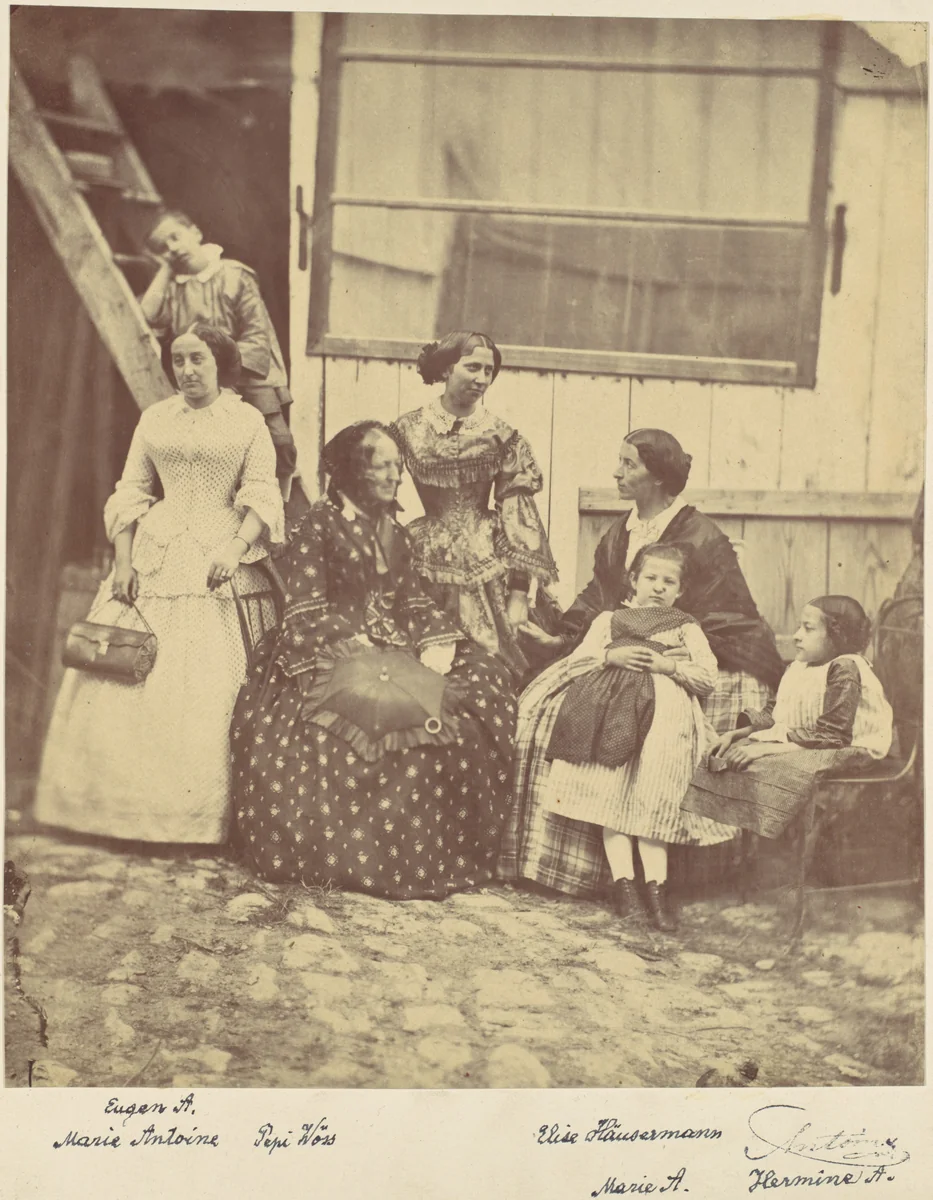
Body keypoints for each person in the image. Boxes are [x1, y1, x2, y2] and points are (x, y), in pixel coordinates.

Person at [230, 420, 517, 899]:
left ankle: (449, 848)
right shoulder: (318, 526)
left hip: (394, 645)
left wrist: (436, 642)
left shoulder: (393, 531)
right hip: (327, 648)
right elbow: (305, 607)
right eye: (383, 467)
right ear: (352, 471)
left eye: (397, 467)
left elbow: (413, 600)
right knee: (390, 713)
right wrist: (356, 644)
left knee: (483, 682)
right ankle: (381, 855)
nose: (395, 477)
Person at [499, 427, 784, 899]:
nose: (617, 473)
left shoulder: (702, 535)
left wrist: (669, 651)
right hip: (622, 649)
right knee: (539, 711)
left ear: (658, 477)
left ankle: (669, 878)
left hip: (698, 653)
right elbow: (598, 598)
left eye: (628, 464)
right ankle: (570, 869)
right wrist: (562, 638)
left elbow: (728, 612)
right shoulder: (621, 532)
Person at [35, 324, 284, 844]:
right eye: (179, 360)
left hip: (219, 555)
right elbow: (131, 489)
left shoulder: (246, 421)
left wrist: (235, 549)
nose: (187, 370)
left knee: (207, 683)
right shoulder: (155, 418)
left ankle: (197, 821)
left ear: (220, 363)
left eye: (198, 359)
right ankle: (114, 812)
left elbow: (262, 492)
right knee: (127, 674)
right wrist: (124, 563)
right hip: (156, 553)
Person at [539, 544, 736, 930]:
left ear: (680, 590)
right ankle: (624, 887)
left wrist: (668, 665)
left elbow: (707, 677)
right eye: (651, 578)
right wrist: (609, 657)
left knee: (653, 802)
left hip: (665, 722)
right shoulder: (609, 620)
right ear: (633, 580)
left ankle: (656, 891)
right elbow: (576, 663)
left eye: (669, 582)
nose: (659, 587)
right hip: (609, 715)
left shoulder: (685, 626)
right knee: (612, 798)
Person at [391, 331, 558, 680]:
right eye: (473, 367)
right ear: (446, 368)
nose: (482, 379)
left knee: (500, 662)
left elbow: (519, 517)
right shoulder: (407, 429)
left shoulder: (502, 436)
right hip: (426, 554)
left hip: (489, 557)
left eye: (489, 370)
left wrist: (518, 594)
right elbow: (380, 495)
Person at [681, 596, 893, 840]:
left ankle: (781, 842)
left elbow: (835, 735)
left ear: (838, 636)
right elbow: (777, 711)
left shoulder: (845, 668)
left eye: (808, 628)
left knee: (768, 767)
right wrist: (737, 734)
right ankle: (721, 835)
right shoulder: (799, 666)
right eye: (799, 627)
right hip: (813, 741)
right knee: (726, 754)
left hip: (851, 747)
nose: (796, 636)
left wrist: (765, 749)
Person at [140, 209, 297, 484]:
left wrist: (224, 370)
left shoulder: (235, 275)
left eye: (175, 237)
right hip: (203, 382)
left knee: (278, 443)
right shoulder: (174, 290)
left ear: (196, 233)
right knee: (213, 452)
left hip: (248, 372)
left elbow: (257, 334)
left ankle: (277, 500)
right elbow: (148, 314)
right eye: (163, 247)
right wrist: (166, 269)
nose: (172, 248)